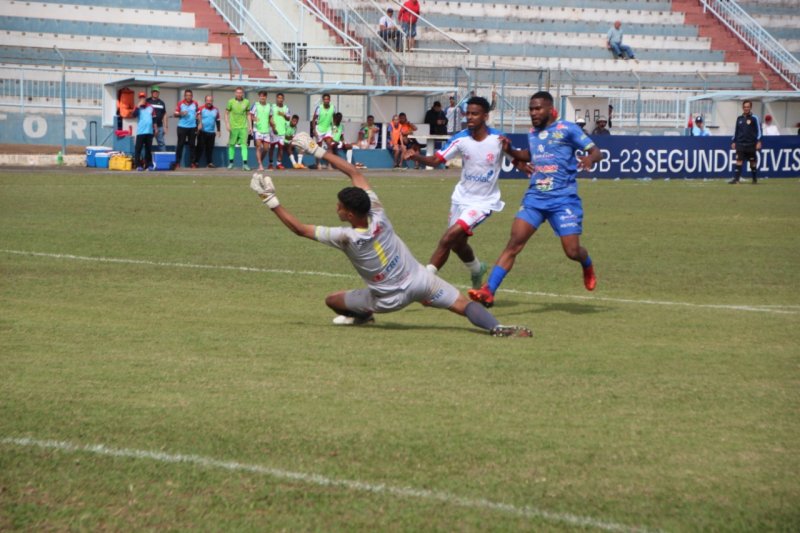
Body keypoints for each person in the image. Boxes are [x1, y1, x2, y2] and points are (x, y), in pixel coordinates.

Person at [249, 132, 531, 337]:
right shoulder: (378, 212)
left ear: (348, 214)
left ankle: (363, 316)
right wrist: (318, 150)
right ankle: (497, 327)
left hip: (387, 300)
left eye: (340, 206)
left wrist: (269, 200)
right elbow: (354, 174)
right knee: (462, 304)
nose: (337, 208)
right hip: (421, 282)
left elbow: (299, 229)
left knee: (332, 300)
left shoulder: (346, 237)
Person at [468, 91, 603, 308]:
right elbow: (530, 155)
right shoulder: (533, 132)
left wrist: (589, 158)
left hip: (563, 200)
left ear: (550, 109)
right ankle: (488, 291)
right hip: (535, 198)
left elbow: (597, 152)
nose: (533, 113)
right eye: (531, 109)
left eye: (538, 108)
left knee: (572, 251)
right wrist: (510, 150)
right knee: (514, 243)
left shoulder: (567, 129)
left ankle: (586, 264)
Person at [403, 96, 505, 289]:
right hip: (460, 198)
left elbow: (516, 157)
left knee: (448, 238)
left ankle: (423, 282)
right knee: (457, 244)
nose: (470, 118)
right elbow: (436, 160)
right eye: (468, 114)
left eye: (475, 114)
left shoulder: (498, 139)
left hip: (483, 202)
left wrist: (526, 165)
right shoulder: (460, 139)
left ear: (485, 116)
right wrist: (417, 156)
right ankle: (477, 269)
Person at [729, 99, 762, 184]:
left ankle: (754, 180)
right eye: (744, 107)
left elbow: (759, 131)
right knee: (739, 161)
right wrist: (733, 141)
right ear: (742, 108)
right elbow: (736, 131)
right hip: (740, 144)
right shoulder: (739, 118)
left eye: (748, 107)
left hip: (751, 144)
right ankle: (736, 180)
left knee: (752, 162)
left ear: (750, 107)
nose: (746, 108)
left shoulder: (755, 118)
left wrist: (758, 141)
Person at [226, 86, 251, 171]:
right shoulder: (230, 102)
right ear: (235, 93)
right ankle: (231, 163)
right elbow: (226, 113)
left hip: (243, 127)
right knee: (232, 144)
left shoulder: (246, 102)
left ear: (243, 93)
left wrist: (250, 126)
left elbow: (248, 114)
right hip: (233, 127)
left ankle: (245, 164)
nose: (239, 94)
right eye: (237, 92)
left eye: (240, 92)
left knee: (244, 145)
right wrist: (227, 124)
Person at [173, 89, 198, 168]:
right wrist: (181, 113)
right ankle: (177, 163)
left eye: (190, 95)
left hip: (192, 127)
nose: (188, 97)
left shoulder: (195, 103)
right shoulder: (180, 103)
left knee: (192, 145)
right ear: (184, 96)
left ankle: (192, 163)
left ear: (192, 96)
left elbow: (198, 114)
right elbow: (175, 114)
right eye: (187, 95)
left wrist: (199, 124)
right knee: (180, 145)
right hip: (182, 127)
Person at [311, 93, 336, 169]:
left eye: (327, 99)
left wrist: (334, 129)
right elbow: (313, 119)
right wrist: (314, 130)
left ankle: (330, 164)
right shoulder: (319, 108)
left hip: (328, 129)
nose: (326, 101)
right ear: (323, 100)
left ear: (329, 100)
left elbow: (334, 119)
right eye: (324, 99)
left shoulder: (333, 108)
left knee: (329, 145)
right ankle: (318, 164)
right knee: (319, 147)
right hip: (319, 129)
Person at [194, 95, 220, 168]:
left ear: (212, 101)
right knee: (200, 148)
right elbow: (196, 118)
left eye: (210, 100)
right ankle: (196, 162)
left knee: (210, 149)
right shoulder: (201, 108)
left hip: (211, 132)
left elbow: (217, 120)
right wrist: (197, 128)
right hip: (202, 132)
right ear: (205, 101)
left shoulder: (216, 109)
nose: (209, 102)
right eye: (208, 100)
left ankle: (209, 163)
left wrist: (218, 130)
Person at [250, 90, 272, 171]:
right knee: (258, 147)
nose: (262, 97)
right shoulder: (255, 105)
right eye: (261, 96)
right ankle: (260, 164)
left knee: (266, 149)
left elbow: (270, 118)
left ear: (266, 97)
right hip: (257, 130)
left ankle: (260, 163)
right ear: (259, 96)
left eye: (264, 96)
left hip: (266, 130)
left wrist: (273, 127)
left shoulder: (269, 106)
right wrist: (253, 119)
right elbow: (250, 115)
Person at [132, 91, 155, 171]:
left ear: (145, 98)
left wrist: (155, 128)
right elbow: (134, 115)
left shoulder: (151, 107)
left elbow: (154, 119)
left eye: (143, 97)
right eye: (141, 97)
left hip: (149, 131)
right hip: (141, 131)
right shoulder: (137, 107)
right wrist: (138, 106)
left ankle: (149, 165)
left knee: (148, 149)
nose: (142, 99)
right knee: (138, 148)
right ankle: (138, 165)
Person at [270, 92, 292, 169]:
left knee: (281, 148)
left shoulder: (286, 108)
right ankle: (270, 163)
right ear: (276, 99)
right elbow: (270, 118)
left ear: (283, 99)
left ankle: (279, 163)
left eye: (281, 98)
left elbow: (288, 118)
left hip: (282, 131)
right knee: (272, 148)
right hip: (274, 131)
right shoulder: (272, 107)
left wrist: (284, 115)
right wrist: (273, 128)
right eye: (278, 98)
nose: (280, 100)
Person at [146, 86, 167, 151]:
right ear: (151, 92)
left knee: (161, 143)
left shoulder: (161, 102)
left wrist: (166, 126)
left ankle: (164, 158)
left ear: (159, 93)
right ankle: (147, 160)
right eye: (154, 91)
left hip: (159, 126)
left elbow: (164, 114)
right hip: (149, 127)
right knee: (148, 143)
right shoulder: (147, 101)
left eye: (157, 92)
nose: (155, 93)